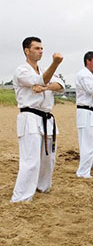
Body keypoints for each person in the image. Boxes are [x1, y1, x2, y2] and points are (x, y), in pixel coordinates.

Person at [11, 36, 64, 202]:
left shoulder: (44, 71)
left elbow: (60, 85)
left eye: (41, 48)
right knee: (31, 160)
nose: (40, 51)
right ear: (27, 51)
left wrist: (44, 87)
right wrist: (55, 63)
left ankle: (42, 187)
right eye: (36, 48)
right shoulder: (22, 70)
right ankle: (21, 197)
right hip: (30, 116)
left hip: (47, 118)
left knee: (49, 158)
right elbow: (39, 80)